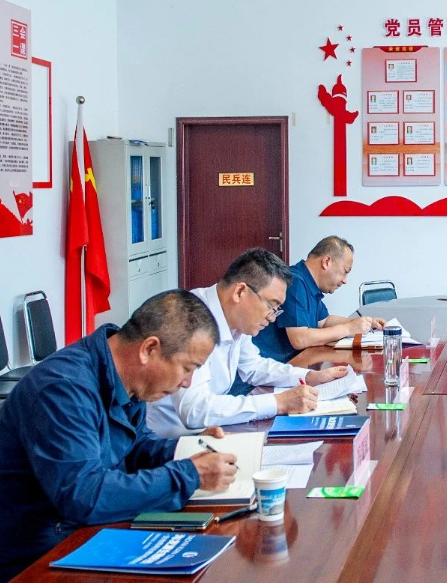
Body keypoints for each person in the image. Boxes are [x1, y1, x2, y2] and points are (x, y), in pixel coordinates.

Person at [0, 291, 238, 580]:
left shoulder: (127, 377)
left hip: (88, 535)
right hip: (37, 557)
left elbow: (136, 447)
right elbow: (83, 496)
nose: (187, 383)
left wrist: (188, 448)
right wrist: (188, 475)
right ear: (149, 349)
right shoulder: (62, 389)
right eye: (187, 369)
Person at [147, 248, 348, 438]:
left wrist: (309, 376)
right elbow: (195, 410)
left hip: (211, 430)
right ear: (240, 292)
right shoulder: (191, 319)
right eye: (271, 306)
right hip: (168, 444)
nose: (272, 317)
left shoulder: (236, 320)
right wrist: (278, 403)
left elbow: (253, 366)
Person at [253, 236, 386, 362]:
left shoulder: (308, 282)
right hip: (274, 367)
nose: (345, 280)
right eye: (345, 271)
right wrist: (348, 329)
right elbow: (299, 339)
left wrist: (364, 323)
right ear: (326, 262)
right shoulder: (296, 282)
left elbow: (324, 321)